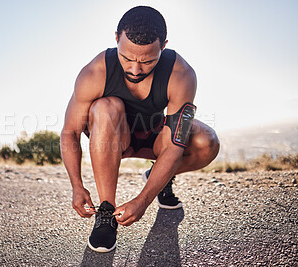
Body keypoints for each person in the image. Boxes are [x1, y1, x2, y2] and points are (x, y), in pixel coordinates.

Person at [60, 6, 220, 253]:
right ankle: (106, 212)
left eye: (147, 61)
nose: (135, 69)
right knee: (105, 107)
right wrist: (77, 186)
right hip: (112, 137)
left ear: (163, 46)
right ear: (116, 39)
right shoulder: (94, 72)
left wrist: (143, 200)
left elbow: (174, 143)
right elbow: (70, 131)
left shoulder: (182, 74)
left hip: (156, 134)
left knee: (207, 142)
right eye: (127, 58)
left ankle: (159, 177)